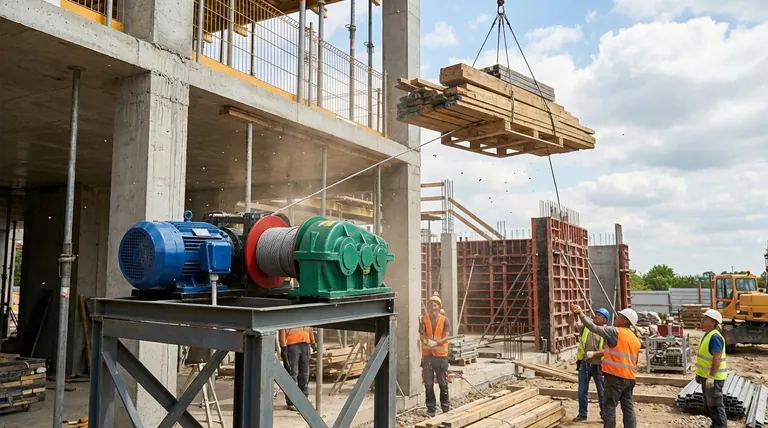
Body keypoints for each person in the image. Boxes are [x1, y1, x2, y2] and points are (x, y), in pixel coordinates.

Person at [572, 304, 640, 428]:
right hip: (630, 378)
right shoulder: (635, 339)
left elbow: (593, 327)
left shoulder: (614, 331)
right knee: (628, 408)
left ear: (624, 321)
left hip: (615, 377)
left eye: (619, 316)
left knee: (609, 406)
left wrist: (581, 314)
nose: (616, 318)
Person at [571, 308, 610, 422]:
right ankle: (582, 414)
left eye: (599, 315)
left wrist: (594, 353)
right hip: (585, 364)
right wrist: (574, 314)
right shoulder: (587, 329)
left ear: (604, 320)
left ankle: (605, 415)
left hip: (599, 366)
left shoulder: (607, 332)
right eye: (596, 314)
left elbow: (608, 350)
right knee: (582, 390)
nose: (596, 316)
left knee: (602, 392)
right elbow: (572, 324)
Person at [419, 294, 451, 417]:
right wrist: (426, 342)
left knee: (443, 383)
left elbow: (446, 336)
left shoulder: (444, 320)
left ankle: (445, 408)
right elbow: (422, 335)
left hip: (441, 356)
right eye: (431, 305)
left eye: (435, 304)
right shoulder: (424, 319)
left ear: (439, 306)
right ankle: (431, 409)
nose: (433, 307)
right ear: (429, 307)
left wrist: (436, 342)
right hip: (427, 356)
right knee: (428, 384)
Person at [697, 309, 728, 428]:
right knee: (709, 405)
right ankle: (716, 424)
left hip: (714, 379)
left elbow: (717, 358)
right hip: (706, 377)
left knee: (715, 405)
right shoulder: (707, 335)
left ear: (713, 322)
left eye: (705, 319)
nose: (702, 321)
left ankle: (721, 426)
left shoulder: (715, 337)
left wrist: (711, 376)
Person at [279, 326, 316, 410]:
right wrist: (283, 346)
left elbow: (310, 327)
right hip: (292, 345)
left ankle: (303, 400)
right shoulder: (288, 314)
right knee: (292, 374)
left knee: (304, 373)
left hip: (305, 343)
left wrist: (313, 342)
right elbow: (282, 328)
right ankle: (291, 402)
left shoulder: (305, 315)